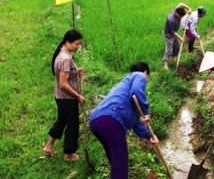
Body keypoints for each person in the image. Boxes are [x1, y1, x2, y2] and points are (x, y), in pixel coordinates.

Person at [89, 61, 159, 179]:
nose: (146, 81)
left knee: (116, 161)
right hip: (110, 121)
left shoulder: (126, 93)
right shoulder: (139, 75)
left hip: (96, 121)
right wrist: (147, 111)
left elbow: (136, 125)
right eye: (148, 78)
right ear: (146, 72)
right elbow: (136, 91)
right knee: (120, 163)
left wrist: (151, 136)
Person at [43, 29, 85, 161]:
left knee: (62, 121)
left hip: (60, 97)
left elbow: (62, 73)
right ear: (67, 42)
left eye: (79, 44)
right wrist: (78, 96)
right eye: (76, 44)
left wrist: (75, 71)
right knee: (72, 125)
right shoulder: (65, 58)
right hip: (67, 98)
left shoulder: (61, 52)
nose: (78, 47)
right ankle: (69, 154)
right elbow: (63, 84)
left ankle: (49, 146)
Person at [163, 3, 191, 69]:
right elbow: (173, 32)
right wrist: (180, 37)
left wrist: (188, 8)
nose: (181, 18)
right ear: (176, 13)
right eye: (180, 16)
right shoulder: (171, 19)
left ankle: (173, 58)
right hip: (168, 34)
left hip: (174, 32)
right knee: (169, 49)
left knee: (176, 47)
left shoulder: (178, 9)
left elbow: (181, 4)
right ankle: (165, 63)